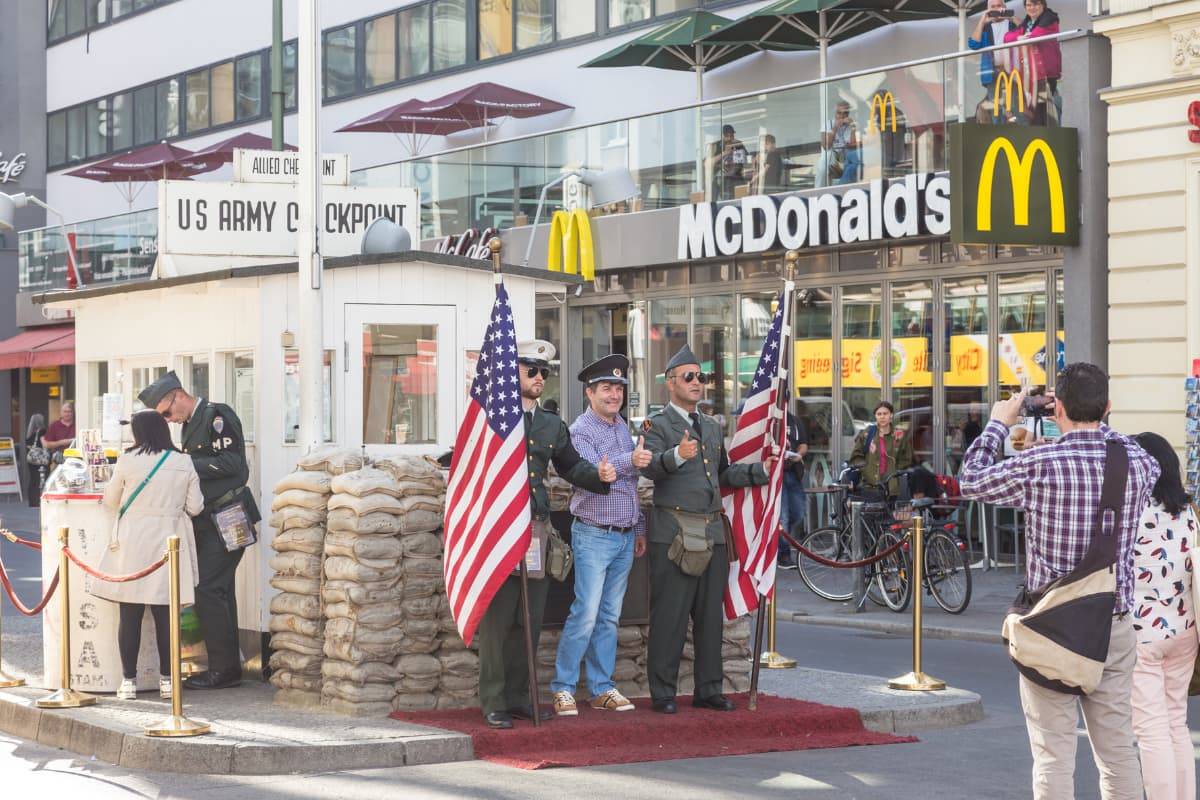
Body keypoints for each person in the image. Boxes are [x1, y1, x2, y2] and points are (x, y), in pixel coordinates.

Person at [958, 363, 1160, 800]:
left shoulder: (1039, 462)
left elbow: (970, 481)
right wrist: (1073, 429)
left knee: (1053, 755)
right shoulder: (1140, 463)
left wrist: (998, 423)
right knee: (1118, 752)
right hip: (1114, 623)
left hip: (1050, 627)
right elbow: (1115, 452)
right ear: (1108, 408)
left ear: (1057, 408)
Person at [476, 340, 616, 730]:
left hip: (535, 530)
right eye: (531, 370)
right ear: (512, 372)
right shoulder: (493, 417)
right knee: (499, 619)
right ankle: (493, 698)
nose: (539, 378)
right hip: (501, 531)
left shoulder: (551, 424)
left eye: (544, 372)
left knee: (529, 618)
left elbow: (571, 466)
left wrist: (600, 477)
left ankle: (521, 695)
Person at [639, 344, 775, 714]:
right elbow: (649, 468)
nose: (698, 383)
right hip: (675, 533)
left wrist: (761, 471)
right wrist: (674, 456)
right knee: (670, 616)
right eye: (690, 377)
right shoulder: (657, 425)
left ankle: (709, 688)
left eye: (702, 377)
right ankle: (664, 693)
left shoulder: (712, 426)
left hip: (712, 532)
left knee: (710, 617)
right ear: (670, 383)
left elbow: (723, 473)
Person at [139, 371, 260, 691]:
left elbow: (235, 466)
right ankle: (228, 666)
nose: (169, 421)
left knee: (208, 588)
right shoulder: (192, 423)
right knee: (219, 591)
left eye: (166, 413)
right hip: (210, 518)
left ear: (177, 396)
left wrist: (186, 463)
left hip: (230, 514)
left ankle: (223, 670)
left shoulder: (217, 415)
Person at [552, 354, 650, 717]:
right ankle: (562, 688)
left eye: (619, 388)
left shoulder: (621, 427)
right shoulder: (580, 431)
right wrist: (630, 461)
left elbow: (631, 485)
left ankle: (601, 686)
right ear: (589, 392)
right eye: (606, 388)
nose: (614, 394)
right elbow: (593, 475)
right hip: (593, 534)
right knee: (587, 613)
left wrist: (638, 527)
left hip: (623, 536)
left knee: (609, 616)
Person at [92, 410, 203, 700]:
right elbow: (196, 506)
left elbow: (110, 500)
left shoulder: (128, 460)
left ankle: (128, 682)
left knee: (129, 614)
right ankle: (168, 681)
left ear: (139, 432)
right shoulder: (183, 461)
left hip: (133, 542)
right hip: (170, 542)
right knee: (167, 615)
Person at [1130, 432, 1199, 800]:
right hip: (1186, 629)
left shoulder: (1133, 511)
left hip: (1143, 633)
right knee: (1176, 722)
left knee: (1151, 728)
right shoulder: (1188, 512)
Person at [1004, 0, 1062, 125]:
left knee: (1044, 112)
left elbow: (1036, 36)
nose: (1032, 8)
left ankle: (1047, 139)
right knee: (1035, 112)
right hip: (1031, 75)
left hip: (1046, 74)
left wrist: (1025, 37)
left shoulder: (1050, 18)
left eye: (1035, 4)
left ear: (1043, 5)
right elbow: (1007, 37)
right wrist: (1019, 38)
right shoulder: (1028, 22)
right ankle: (1039, 138)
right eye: (1028, 5)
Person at [968, 0, 1019, 123]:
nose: (996, 9)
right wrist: (982, 20)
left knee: (1014, 106)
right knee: (996, 108)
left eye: (999, 6)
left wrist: (1011, 17)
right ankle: (999, 135)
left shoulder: (1012, 24)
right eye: (993, 7)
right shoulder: (985, 27)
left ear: (1004, 7)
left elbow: (1027, 33)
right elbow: (974, 44)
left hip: (1012, 72)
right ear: (988, 9)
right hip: (992, 72)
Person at [848, 401, 914, 495]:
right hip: (869, 486)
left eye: (885, 413)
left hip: (891, 487)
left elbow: (907, 458)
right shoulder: (868, 433)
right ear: (875, 416)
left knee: (890, 509)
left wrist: (896, 471)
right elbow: (856, 456)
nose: (882, 417)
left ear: (891, 415)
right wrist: (865, 469)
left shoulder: (898, 435)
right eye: (879, 414)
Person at [778, 406, 809, 570]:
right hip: (776, 473)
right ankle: (784, 554)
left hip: (793, 472)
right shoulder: (771, 419)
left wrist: (799, 455)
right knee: (783, 516)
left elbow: (804, 444)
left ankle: (777, 543)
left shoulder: (794, 420)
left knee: (799, 512)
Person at [815, 102, 860, 187]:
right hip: (833, 156)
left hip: (847, 155)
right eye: (839, 113)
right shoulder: (828, 124)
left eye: (845, 113)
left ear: (849, 114)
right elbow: (826, 146)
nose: (842, 116)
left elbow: (854, 145)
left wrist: (853, 127)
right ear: (835, 114)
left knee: (853, 157)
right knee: (824, 160)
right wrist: (835, 128)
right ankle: (818, 191)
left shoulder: (852, 124)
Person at [707, 124, 749, 200]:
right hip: (722, 180)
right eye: (727, 136)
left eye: (731, 135)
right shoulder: (716, 146)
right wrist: (724, 153)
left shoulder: (738, 144)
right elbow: (708, 163)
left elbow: (747, 159)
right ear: (723, 136)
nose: (729, 138)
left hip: (737, 178)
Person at [24, 413, 46, 507]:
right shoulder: (42, 431)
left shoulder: (29, 434)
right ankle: (38, 500)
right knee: (40, 479)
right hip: (39, 459)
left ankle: (32, 501)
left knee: (33, 479)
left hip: (31, 460)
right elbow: (44, 445)